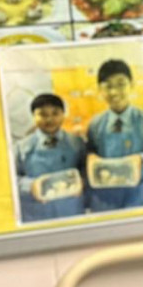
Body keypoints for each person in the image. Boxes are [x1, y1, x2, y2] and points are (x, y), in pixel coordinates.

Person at [83, 57, 143, 211]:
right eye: (108, 86)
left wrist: (142, 159)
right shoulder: (95, 124)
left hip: (140, 195)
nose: (114, 92)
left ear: (132, 85)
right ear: (100, 90)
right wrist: (91, 157)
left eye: (121, 84)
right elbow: (91, 153)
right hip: (106, 198)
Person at [14, 92, 86, 223]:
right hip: (36, 213)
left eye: (55, 113)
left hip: (71, 210)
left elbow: (86, 171)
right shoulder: (20, 148)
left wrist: (83, 181)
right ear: (33, 116)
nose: (49, 119)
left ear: (63, 114)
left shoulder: (77, 143)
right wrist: (30, 186)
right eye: (42, 114)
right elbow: (10, 180)